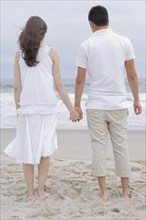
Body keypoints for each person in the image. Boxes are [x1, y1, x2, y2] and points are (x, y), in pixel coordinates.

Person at [4, 16, 80, 198]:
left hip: (27, 109)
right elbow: (59, 85)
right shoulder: (51, 53)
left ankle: (30, 192)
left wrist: (18, 111)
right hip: (47, 108)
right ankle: (40, 191)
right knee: (45, 151)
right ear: (42, 33)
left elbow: (17, 88)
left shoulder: (18, 55)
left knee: (27, 150)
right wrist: (71, 109)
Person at [74, 5, 142, 200]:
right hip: (118, 104)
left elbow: (80, 80)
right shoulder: (124, 41)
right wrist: (136, 99)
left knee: (98, 146)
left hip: (96, 105)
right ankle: (125, 190)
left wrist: (77, 105)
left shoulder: (86, 45)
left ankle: (103, 192)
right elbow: (132, 75)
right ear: (108, 21)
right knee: (121, 146)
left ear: (91, 24)